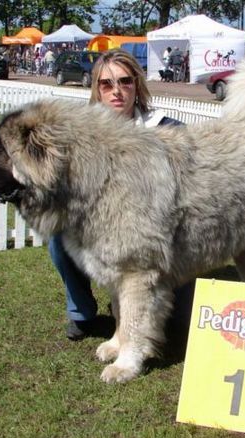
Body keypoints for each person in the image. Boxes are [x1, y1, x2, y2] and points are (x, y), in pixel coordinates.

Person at [48, 49, 182, 340]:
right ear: (96, 89)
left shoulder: (168, 130)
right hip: (101, 230)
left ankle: (136, 299)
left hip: (162, 239)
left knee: (178, 325)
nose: (117, 91)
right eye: (106, 84)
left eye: (125, 81)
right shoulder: (78, 136)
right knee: (59, 237)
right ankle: (81, 312)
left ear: (137, 84)